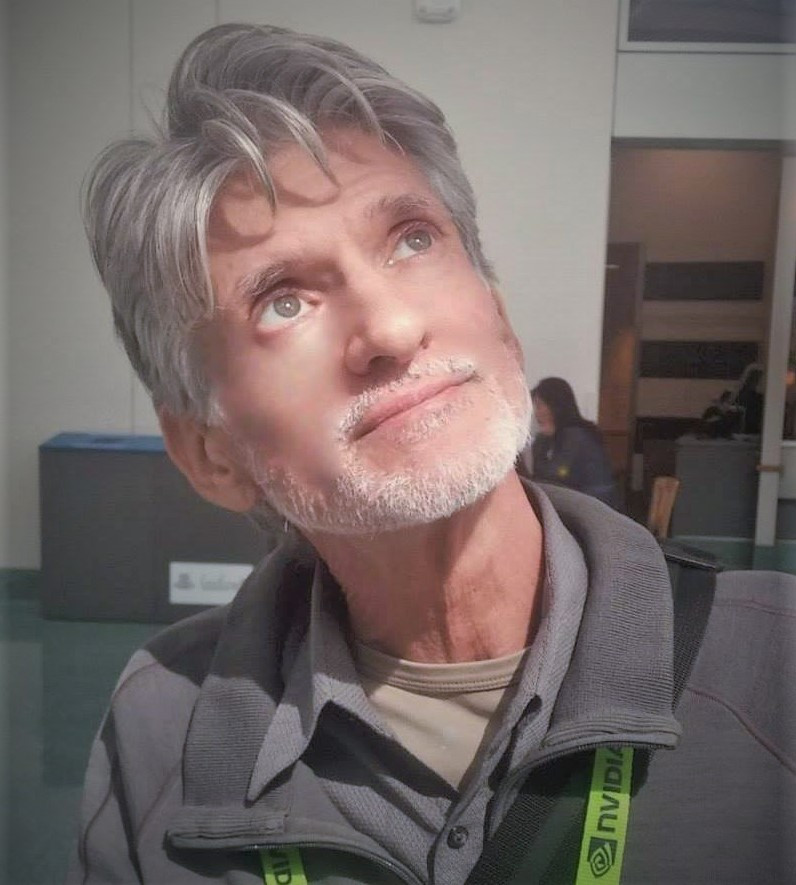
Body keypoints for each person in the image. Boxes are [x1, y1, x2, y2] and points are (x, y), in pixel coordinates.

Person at [69, 23, 795, 885]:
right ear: (209, 452)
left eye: (412, 238)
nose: (390, 326)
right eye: (282, 301)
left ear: (500, 317)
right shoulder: (160, 726)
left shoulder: (775, 663)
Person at [522, 376, 617, 507]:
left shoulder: (576, 436)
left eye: (539, 405)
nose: (536, 413)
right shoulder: (548, 439)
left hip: (595, 507)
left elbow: (556, 476)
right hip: (575, 503)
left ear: (555, 407)